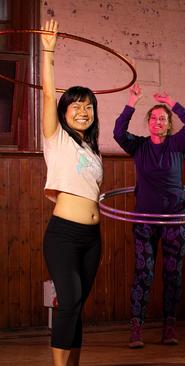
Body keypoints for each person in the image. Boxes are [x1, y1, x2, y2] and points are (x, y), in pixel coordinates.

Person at [113, 83, 185, 348]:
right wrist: (131, 101)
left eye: (162, 118)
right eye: (153, 117)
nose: (157, 121)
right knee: (144, 274)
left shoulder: (177, 144)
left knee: (172, 275)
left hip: (176, 220)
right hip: (145, 222)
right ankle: (136, 329)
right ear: (148, 122)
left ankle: (169, 327)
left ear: (168, 123)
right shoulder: (138, 147)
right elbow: (117, 132)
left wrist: (171, 102)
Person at [40, 20, 103, 366]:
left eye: (88, 106)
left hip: (93, 237)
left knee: (77, 307)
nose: (83, 111)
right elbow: (49, 94)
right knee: (70, 301)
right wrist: (49, 52)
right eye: (76, 106)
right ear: (65, 113)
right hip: (64, 235)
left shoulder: (93, 150)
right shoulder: (56, 139)